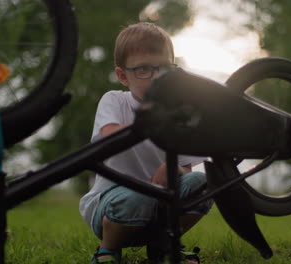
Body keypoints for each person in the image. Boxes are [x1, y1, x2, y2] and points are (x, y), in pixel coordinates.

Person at [79, 22, 211, 264]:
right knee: (137, 196)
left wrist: (174, 169)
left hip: (160, 204)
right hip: (112, 204)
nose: (155, 78)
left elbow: (185, 169)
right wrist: (153, 122)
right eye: (143, 70)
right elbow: (110, 136)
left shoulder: (178, 112)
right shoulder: (115, 102)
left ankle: (165, 245)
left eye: (163, 69)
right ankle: (107, 250)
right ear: (122, 76)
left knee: (203, 184)